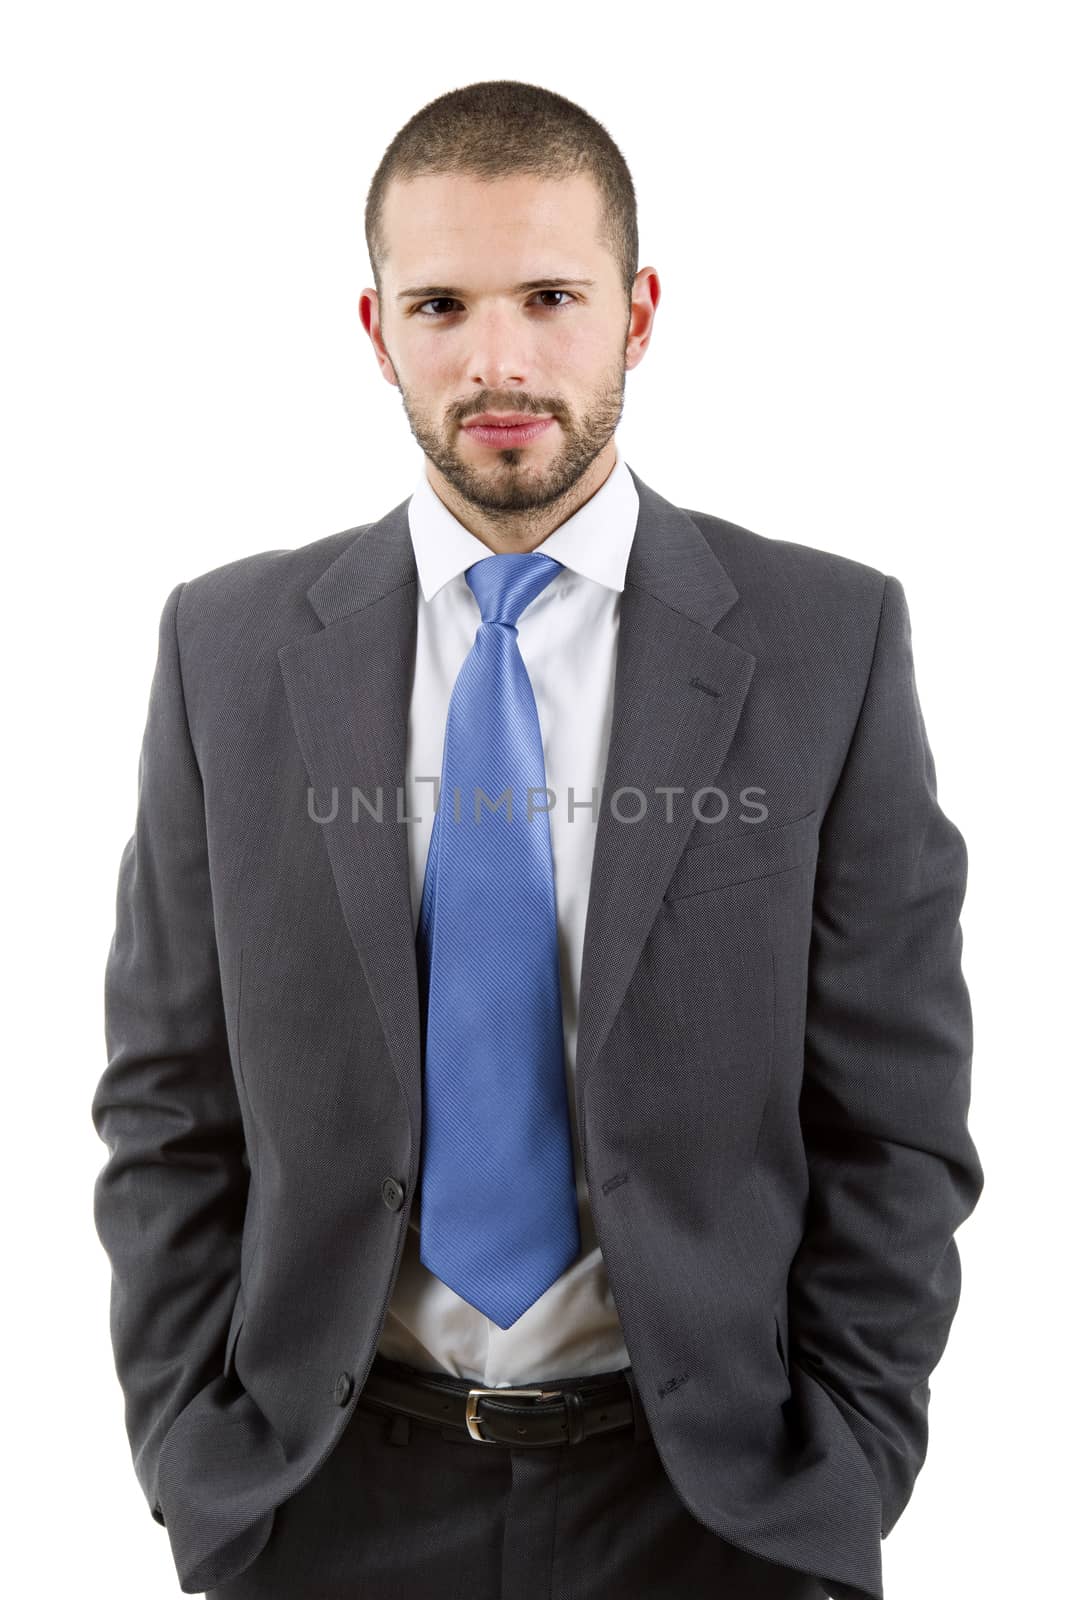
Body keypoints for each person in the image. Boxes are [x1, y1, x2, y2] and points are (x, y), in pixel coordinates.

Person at [91, 78, 984, 1600]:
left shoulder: (829, 643)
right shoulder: (226, 652)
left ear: (637, 313)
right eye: (439, 303)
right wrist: (198, 1459)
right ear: (375, 330)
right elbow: (169, 1107)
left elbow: (895, 1124)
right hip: (326, 1506)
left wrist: (840, 1468)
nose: (497, 360)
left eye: (549, 297)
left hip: (711, 1511)